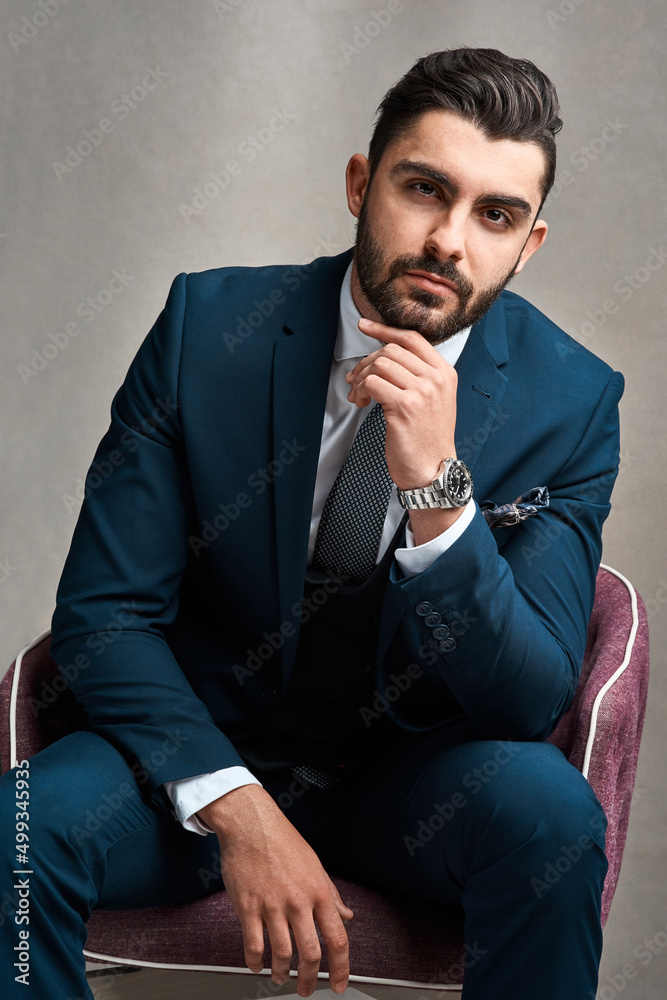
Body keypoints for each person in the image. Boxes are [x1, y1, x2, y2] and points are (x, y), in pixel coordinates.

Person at [1, 47, 623, 1000]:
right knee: (19, 828)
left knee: (552, 819)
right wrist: (239, 810)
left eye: (493, 215)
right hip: (188, 767)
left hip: (412, 786)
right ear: (359, 183)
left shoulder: (569, 401)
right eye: (424, 189)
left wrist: (437, 491)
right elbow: (105, 614)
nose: (449, 241)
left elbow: (526, 699)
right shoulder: (206, 330)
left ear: (528, 243)